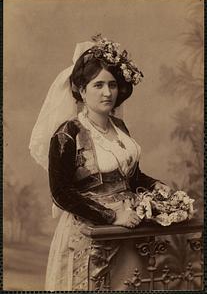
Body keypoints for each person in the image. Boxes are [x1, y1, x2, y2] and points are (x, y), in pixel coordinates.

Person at [29, 34, 170, 291]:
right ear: (82, 91)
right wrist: (111, 215)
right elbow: (61, 192)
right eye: (98, 85)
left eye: (112, 85)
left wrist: (158, 188)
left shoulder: (120, 127)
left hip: (129, 228)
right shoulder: (67, 134)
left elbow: (132, 178)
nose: (107, 93)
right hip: (89, 232)